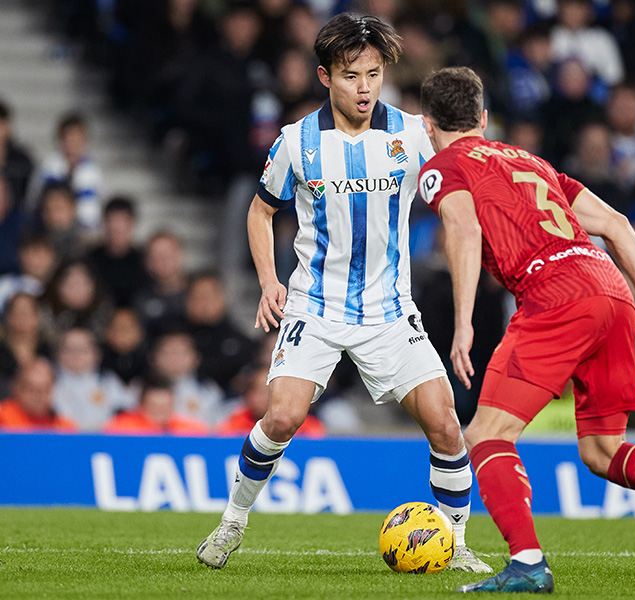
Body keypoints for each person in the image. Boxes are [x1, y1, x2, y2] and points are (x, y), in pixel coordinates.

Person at [417, 66, 635, 593]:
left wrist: (463, 324)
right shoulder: (531, 160)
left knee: (486, 434)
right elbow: (617, 225)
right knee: (601, 451)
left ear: (427, 124)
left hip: (555, 293)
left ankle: (528, 564)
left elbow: (463, 229)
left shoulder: (443, 165)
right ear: (483, 119)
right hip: (612, 288)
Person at [196, 14, 490, 574]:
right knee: (281, 417)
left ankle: (453, 543)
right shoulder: (297, 142)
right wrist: (267, 280)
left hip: (389, 309)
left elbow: (458, 201)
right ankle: (233, 520)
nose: (364, 87)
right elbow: (261, 210)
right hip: (316, 305)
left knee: (446, 422)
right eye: (351, 75)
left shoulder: (411, 135)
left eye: (374, 74)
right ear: (325, 76)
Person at [0, 358, 76, 431]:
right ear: (17, 388)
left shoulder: (64, 428)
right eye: (31, 390)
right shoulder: (2, 418)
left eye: (45, 390)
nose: (38, 397)